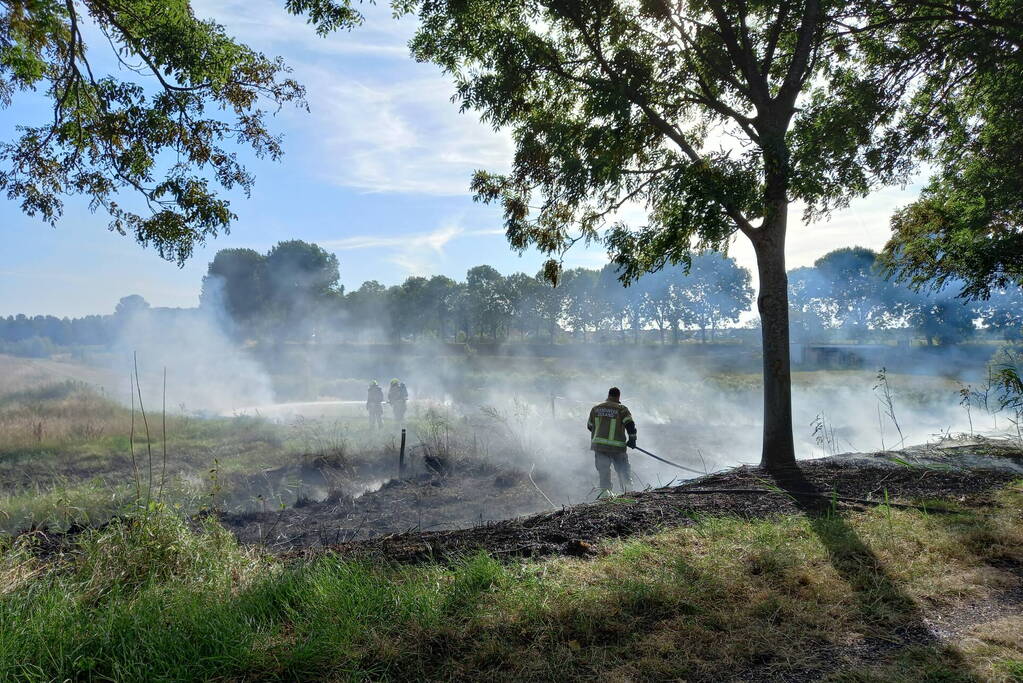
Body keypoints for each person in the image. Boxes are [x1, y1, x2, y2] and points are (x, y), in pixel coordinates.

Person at [587, 386, 637, 494]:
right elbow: (630, 424)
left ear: (608, 395)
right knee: (623, 470)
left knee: (603, 471)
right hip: (617, 447)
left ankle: (605, 494)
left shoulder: (596, 408)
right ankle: (628, 492)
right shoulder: (621, 409)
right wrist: (632, 439)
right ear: (618, 396)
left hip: (600, 447)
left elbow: (590, 426)